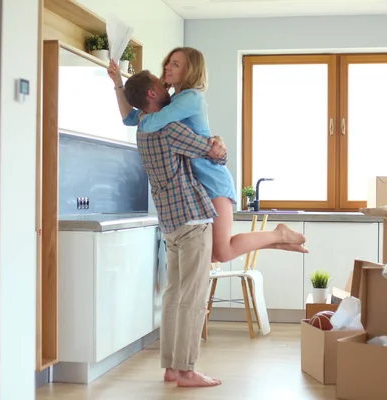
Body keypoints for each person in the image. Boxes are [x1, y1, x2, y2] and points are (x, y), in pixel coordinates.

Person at [108, 48, 308, 263]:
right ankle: (278, 240)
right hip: (197, 185)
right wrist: (118, 82)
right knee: (212, 254)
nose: (168, 67)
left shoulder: (190, 98)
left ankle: (278, 235)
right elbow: (130, 117)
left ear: (190, 71)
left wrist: (142, 119)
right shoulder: (173, 100)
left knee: (220, 253)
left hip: (212, 179)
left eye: (176, 64)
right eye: (169, 62)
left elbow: (151, 122)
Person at [120, 69, 226, 387]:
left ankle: (170, 367)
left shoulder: (142, 129)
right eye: (159, 83)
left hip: (170, 223)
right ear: (151, 94)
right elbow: (213, 154)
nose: (165, 85)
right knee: (193, 298)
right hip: (192, 219)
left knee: (174, 295)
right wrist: (219, 144)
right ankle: (187, 371)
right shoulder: (169, 129)